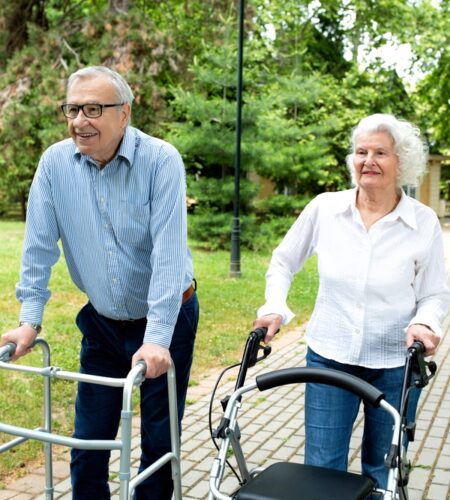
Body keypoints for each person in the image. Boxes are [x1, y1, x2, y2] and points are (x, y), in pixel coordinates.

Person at [0, 66, 199, 499]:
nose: (79, 120)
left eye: (93, 108)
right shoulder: (55, 164)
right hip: (104, 323)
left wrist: (158, 338)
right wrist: (29, 321)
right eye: (72, 109)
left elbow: (168, 258)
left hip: (167, 318)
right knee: (88, 442)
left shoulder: (161, 160)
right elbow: (37, 247)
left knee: (159, 445)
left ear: (124, 114)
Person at [253, 113, 450, 490]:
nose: (368, 161)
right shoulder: (325, 209)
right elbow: (283, 260)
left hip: (396, 364)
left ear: (402, 162)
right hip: (330, 358)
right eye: (361, 152)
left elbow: (434, 292)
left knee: (383, 470)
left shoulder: (422, 222)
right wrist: (274, 306)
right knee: (323, 468)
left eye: (380, 152)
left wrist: (426, 322)